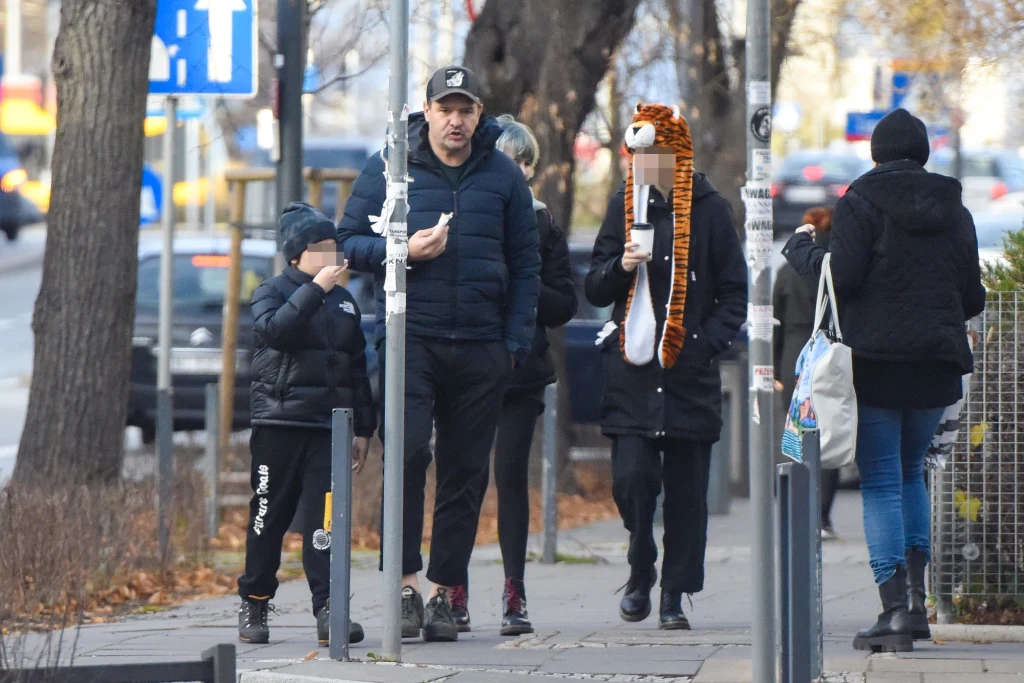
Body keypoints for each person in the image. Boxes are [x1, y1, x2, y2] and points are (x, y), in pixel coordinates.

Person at [338, 66, 541, 643]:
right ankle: (404, 588)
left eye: (466, 110)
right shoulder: (390, 167)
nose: (455, 120)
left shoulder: (502, 175)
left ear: (479, 116)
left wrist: (512, 346)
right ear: (426, 111)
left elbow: (527, 266)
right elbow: (347, 241)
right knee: (404, 460)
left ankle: (442, 595)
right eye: (445, 108)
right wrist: (403, 248)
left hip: (481, 349)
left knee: (465, 475)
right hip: (412, 342)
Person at [783, 108, 986, 652]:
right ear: (923, 152)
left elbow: (842, 278)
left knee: (879, 481)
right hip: (937, 364)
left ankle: (893, 609)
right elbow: (974, 298)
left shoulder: (859, 202)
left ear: (875, 153)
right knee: (911, 474)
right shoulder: (956, 208)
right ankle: (918, 604)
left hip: (875, 364)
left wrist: (803, 250)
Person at [585, 104, 747, 630]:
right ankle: (640, 566)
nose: (644, 164)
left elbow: (733, 295)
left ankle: (675, 594)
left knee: (686, 497)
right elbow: (594, 285)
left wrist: (701, 344)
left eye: (655, 155)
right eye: (638, 156)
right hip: (632, 371)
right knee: (632, 479)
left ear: (677, 156)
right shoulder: (622, 206)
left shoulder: (709, 210)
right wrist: (621, 266)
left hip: (686, 374)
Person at [448, 115, 578, 636]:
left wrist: (519, 288)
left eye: (525, 161)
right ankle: (451, 590)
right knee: (464, 479)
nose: (517, 170)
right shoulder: (467, 215)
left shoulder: (545, 226)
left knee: (509, 477)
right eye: (508, 159)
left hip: (520, 372)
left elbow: (564, 302)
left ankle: (514, 592)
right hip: (467, 371)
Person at [237, 202, 376, 647]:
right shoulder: (271, 292)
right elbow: (277, 332)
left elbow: (358, 368)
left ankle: (329, 608)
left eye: (335, 245)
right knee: (268, 517)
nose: (334, 253)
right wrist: (315, 288)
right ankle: (255, 601)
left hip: (328, 430)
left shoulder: (346, 303)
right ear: (297, 254)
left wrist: (363, 429)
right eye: (323, 246)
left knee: (325, 523)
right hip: (278, 424)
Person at [773, 206, 841, 540]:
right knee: (828, 433)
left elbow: (775, 319)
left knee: (797, 431)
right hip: (828, 351)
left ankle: (794, 507)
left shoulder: (786, 271)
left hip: (793, 355)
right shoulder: (834, 267)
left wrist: (775, 367)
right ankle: (822, 516)